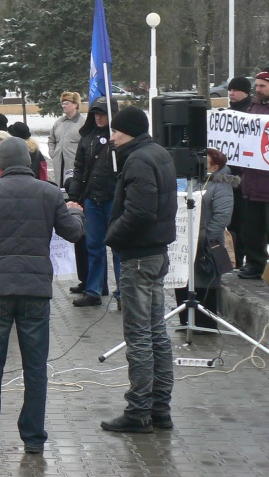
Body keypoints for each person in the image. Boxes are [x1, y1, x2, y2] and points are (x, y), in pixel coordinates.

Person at [0, 137, 84, 454]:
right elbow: (73, 232)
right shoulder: (50, 192)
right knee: (35, 368)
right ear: (28, 159)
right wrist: (76, 213)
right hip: (35, 291)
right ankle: (33, 438)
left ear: (2, 163)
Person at [101, 106, 176, 434]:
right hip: (156, 254)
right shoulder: (157, 152)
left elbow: (141, 212)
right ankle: (160, 408)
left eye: (116, 131)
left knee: (141, 335)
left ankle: (139, 410)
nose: (112, 136)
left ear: (128, 131)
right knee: (156, 332)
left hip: (140, 257)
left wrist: (111, 235)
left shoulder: (139, 159)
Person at [174, 148, 236, 327]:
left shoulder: (221, 185)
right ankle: (186, 321)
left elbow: (223, 216)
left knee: (204, 284)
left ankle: (204, 324)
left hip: (206, 245)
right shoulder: (194, 180)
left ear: (215, 167)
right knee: (184, 282)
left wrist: (201, 238)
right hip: (186, 241)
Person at [66, 97, 118, 307]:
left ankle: (123, 292)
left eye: (103, 113)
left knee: (117, 246)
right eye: (95, 113)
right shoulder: (87, 137)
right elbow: (79, 169)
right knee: (93, 245)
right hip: (92, 199)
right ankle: (94, 288)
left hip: (113, 198)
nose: (98, 117)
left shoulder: (119, 138)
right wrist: (74, 196)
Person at [237, 71, 269, 279]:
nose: (257, 90)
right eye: (256, 86)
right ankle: (255, 264)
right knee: (252, 228)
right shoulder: (253, 107)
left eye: (262, 86)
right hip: (252, 181)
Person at [225, 78, 252, 271]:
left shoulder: (252, 113)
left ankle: (245, 258)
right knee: (232, 221)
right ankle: (235, 259)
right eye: (229, 90)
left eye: (235, 90)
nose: (231, 93)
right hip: (229, 175)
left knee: (244, 222)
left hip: (246, 177)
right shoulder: (228, 114)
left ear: (245, 92)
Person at [48, 92, 84, 188]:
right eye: (62, 103)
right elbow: (51, 140)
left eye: (67, 103)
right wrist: (53, 153)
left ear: (75, 105)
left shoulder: (83, 123)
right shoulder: (59, 122)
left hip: (75, 165)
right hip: (59, 163)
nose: (63, 106)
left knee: (73, 188)